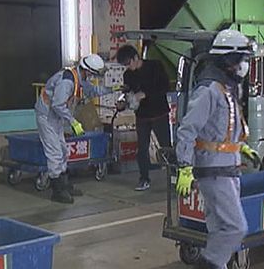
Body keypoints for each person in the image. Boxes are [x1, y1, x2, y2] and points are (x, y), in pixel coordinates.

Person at [174, 30, 260, 269]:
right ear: (229, 60)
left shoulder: (227, 87)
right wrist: (185, 167)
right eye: (242, 59)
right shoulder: (209, 89)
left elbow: (222, 128)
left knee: (220, 227)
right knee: (236, 226)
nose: (245, 65)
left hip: (228, 166)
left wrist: (240, 146)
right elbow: (187, 129)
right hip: (213, 170)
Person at [35, 53, 116, 204]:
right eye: (94, 75)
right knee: (55, 153)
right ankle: (57, 191)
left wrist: (114, 89)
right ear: (89, 71)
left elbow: (93, 91)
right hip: (46, 117)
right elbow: (57, 104)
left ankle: (64, 184)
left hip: (56, 117)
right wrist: (73, 122)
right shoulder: (68, 81)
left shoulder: (79, 78)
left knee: (63, 151)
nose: (93, 78)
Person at [115, 44, 172, 192]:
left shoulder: (155, 66)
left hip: (159, 113)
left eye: (129, 63)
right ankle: (144, 178)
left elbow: (165, 86)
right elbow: (127, 91)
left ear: (136, 57)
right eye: (125, 65)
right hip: (142, 115)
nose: (128, 67)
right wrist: (123, 102)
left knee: (166, 146)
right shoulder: (128, 75)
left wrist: (145, 94)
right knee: (142, 148)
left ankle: (174, 175)